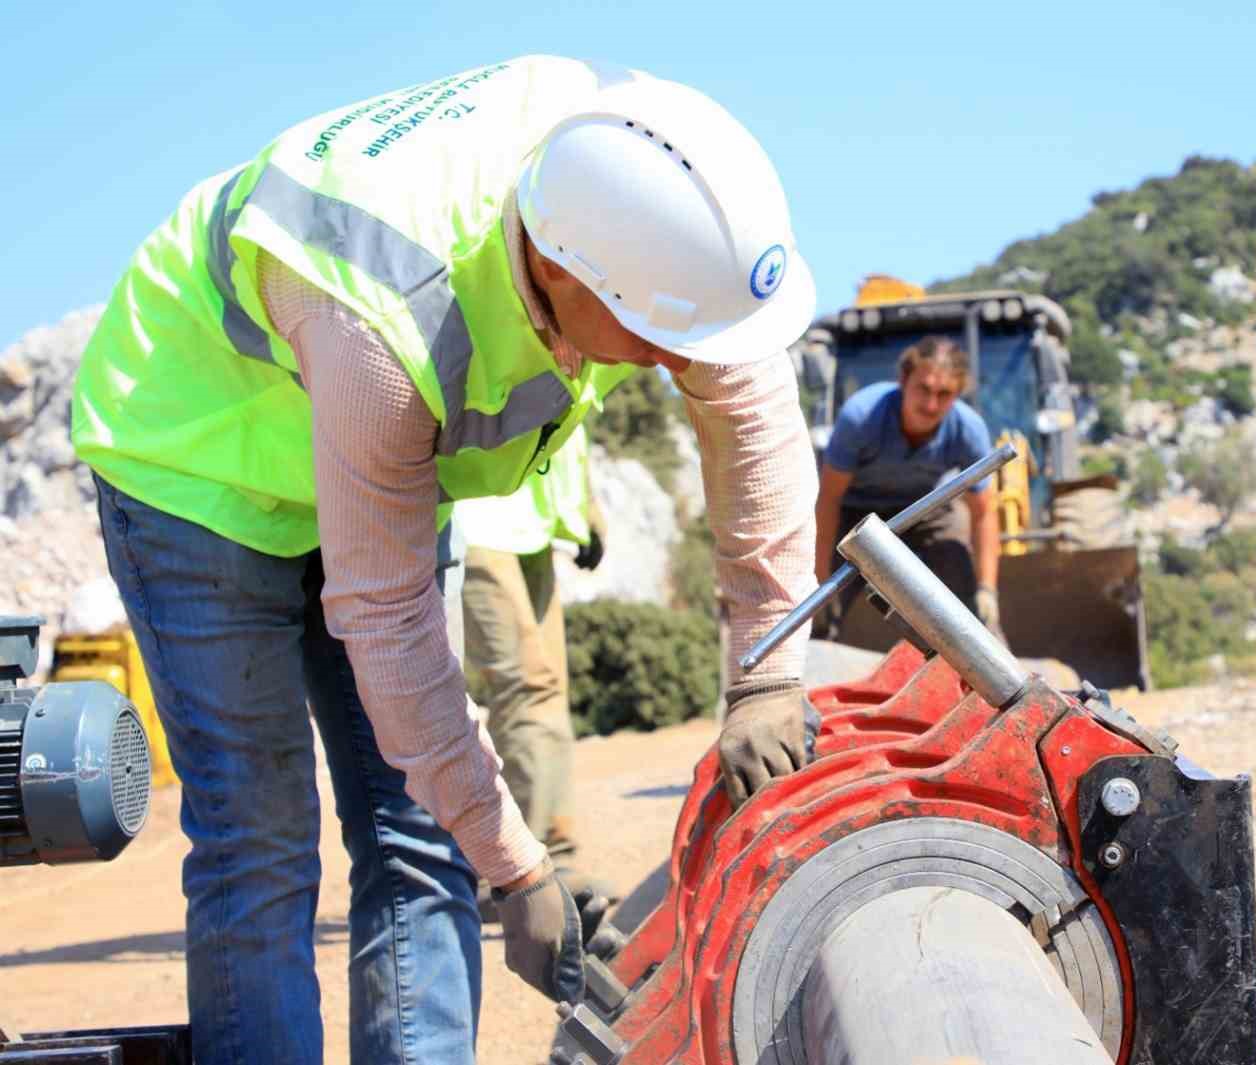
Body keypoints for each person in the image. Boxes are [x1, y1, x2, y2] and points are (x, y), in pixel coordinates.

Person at [71, 56, 819, 1065]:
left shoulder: (643, 179)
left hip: (370, 447)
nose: (678, 363)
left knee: (418, 830)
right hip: (198, 461)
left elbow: (752, 419)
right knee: (261, 840)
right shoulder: (391, 315)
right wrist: (516, 869)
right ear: (560, 272)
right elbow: (386, 622)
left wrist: (767, 673)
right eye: (658, 338)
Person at [453, 426, 607, 912]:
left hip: (532, 521)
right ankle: (523, 869)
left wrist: (585, 503)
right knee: (526, 684)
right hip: (471, 514)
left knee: (548, 686)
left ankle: (550, 856)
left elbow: (573, 411)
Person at [814, 336, 1002, 633]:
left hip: (924, 509)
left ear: (957, 395)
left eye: (944, 394)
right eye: (923, 389)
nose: (930, 404)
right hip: (855, 515)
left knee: (957, 560)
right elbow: (828, 499)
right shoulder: (861, 417)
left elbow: (983, 511)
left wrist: (987, 589)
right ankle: (820, 637)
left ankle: (990, 650)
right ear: (903, 380)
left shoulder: (968, 430)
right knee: (824, 602)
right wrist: (819, 579)